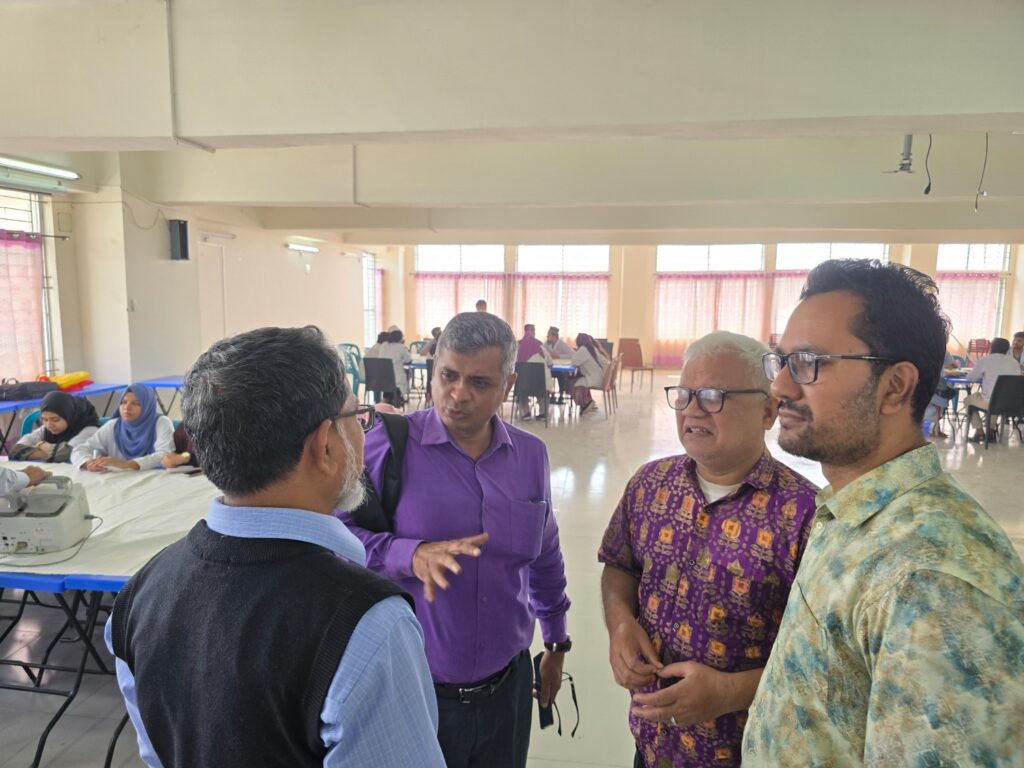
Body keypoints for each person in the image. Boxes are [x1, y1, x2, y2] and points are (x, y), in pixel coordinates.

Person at [106, 326, 444, 768]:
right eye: (356, 417)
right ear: (325, 445)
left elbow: (159, 755)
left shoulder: (139, 595)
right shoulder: (368, 626)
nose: (364, 432)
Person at [743, 260, 1024, 766]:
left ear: (895, 386)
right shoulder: (853, 508)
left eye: (808, 362)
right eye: (781, 361)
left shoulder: (933, 580)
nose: (780, 387)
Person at [339, 312, 571, 768]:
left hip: (508, 692)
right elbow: (336, 536)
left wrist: (556, 643)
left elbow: (545, 555)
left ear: (508, 385)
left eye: (480, 383)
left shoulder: (530, 456)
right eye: (448, 376)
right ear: (434, 370)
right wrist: (408, 555)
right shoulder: (387, 445)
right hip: (413, 694)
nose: (459, 394)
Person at [599, 331, 818, 768]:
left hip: (747, 753)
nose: (693, 410)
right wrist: (620, 623)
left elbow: (823, 663)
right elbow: (621, 566)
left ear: (768, 411)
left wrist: (729, 693)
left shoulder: (806, 516)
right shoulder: (650, 485)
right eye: (684, 395)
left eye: (714, 396)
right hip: (652, 745)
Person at [71, 385, 174, 471]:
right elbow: (80, 449)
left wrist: (125, 464)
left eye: (136, 403)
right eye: (123, 402)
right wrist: (88, 463)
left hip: (155, 478)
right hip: (119, 480)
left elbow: (164, 455)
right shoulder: (113, 425)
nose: (127, 408)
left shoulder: (162, 422)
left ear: (147, 406)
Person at [10, 391, 100, 463]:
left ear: (69, 415)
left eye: (55, 419)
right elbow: (15, 450)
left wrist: (40, 445)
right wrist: (53, 454)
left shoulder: (89, 430)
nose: (49, 425)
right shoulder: (46, 430)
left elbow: (68, 453)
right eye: (44, 419)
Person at [963, 337, 1022, 442]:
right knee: (995, 399)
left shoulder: (985, 360)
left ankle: (979, 432)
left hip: (991, 402)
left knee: (968, 400)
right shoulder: (1014, 363)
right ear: (1007, 349)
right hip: (1010, 403)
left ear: (992, 348)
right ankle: (990, 432)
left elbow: (971, 378)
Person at [516, 324, 553, 421]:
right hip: (541, 386)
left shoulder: (518, 349)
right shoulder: (541, 348)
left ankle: (525, 413)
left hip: (524, 386)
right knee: (541, 387)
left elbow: (514, 365)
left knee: (522, 386)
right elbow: (550, 363)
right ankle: (543, 413)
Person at [570, 332, 609, 413]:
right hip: (599, 377)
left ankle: (585, 403)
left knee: (571, 383)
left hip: (593, 379)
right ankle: (587, 401)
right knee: (578, 379)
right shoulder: (592, 348)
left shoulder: (583, 349)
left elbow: (574, 362)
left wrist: (576, 353)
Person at [545, 327, 575, 402]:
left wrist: (559, 356)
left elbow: (573, 354)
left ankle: (561, 394)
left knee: (561, 375)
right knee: (545, 374)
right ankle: (549, 393)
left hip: (561, 368)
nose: (547, 337)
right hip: (551, 368)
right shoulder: (546, 344)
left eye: (548, 335)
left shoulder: (561, 344)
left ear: (554, 336)